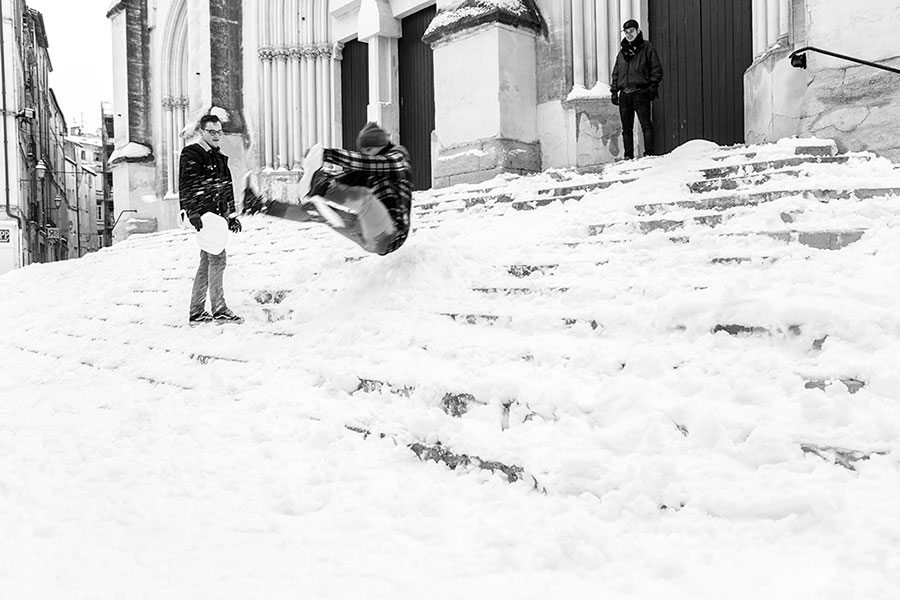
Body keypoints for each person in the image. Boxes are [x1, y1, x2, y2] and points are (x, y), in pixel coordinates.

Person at [244, 122, 412, 256]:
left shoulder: (398, 158)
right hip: (369, 237)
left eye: (368, 149)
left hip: (390, 234)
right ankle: (261, 206)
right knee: (317, 211)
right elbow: (345, 180)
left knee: (364, 199)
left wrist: (326, 155)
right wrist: (319, 175)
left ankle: (321, 187)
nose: (366, 153)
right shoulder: (369, 171)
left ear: (381, 145)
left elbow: (370, 163)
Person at [179, 114, 243, 325]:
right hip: (205, 216)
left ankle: (197, 310)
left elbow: (227, 188)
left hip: (218, 217)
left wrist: (232, 215)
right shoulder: (193, 153)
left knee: (207, 260)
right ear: (202, 132)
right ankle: (219, 308)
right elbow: (187, 183)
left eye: (219, 132)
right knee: (218, 258)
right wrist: (192, 211)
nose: (217, 136)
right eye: (212, 132)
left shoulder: (220, 157)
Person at [610, 19, 663, 160]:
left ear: (638, 30)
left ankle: (649, 154)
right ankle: (628, 156)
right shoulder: (622, 53)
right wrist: (614, 91)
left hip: (641, 91)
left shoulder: (647, 47)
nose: (629, 35)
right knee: (626, 129)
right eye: (626, 32)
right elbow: (616, 72)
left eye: (631, 31)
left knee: (646, 125)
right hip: (625, 94)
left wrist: (653, 85)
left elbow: (656, 69)